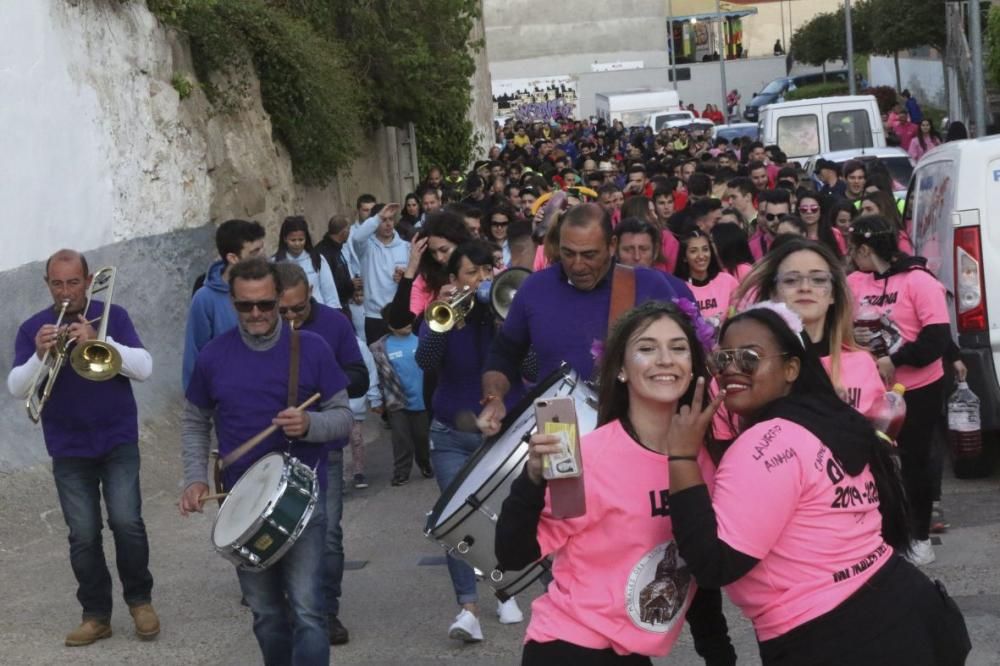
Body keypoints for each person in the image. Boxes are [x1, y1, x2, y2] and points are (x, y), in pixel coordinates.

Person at [666, 303, 971, 665]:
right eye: (722, 359)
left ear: (791, 368)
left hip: (834, 638)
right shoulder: (838, 422)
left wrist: (682, 457)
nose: (731, 369)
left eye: (749, 358)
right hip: (910, 612)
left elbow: (714, 564)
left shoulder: (767, 442)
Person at [495, 301, 736, 665]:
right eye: (646, 348)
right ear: (621, 369)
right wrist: (531, 480)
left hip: (633, 653)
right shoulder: (590, 456)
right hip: (569, 647)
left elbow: (694, 564)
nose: (665, 359)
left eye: (678, 347)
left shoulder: (701, 459)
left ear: (693, 367)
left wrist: (720, 656)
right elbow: (513, 555)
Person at [179, 257, 353, 666]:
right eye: (245, 306)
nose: (256, 313)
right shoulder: (213, 356)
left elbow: (343, 418)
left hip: (302, 499)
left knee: (310, 612)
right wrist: (193, 478)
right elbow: (193, 421)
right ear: (233, 304)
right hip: (241, 505)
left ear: (278, 299)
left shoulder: (311, 348)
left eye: (265, 304)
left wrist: (310, 424)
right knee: (267, 614)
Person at [7, 250, 157, 647]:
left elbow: (144, 368)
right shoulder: (33, 329)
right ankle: (96, 615)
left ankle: (140, 601)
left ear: (88, 282)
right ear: (47, 285)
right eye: (57, 283)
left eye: (74, 282)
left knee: (127, 523)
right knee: (83, 534)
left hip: (117, 438)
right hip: (69, 447)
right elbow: (16, 388)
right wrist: (40, 355)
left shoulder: (113, 316)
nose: (66, 292)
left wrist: (100, 340)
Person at [478, 204, 694, 435]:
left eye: (589, 255)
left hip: (634, 434)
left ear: (611, 246)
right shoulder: (534, 288)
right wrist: (494, 398)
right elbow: (503, 354)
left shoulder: (649, 286)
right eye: (568, 253)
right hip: (558, 435)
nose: (577, 265)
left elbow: (686, 358)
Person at [416, 241, 529, 642]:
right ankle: (467, 609)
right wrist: (438, 320)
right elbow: (425, 361)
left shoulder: (508, 311)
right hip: (450, 434)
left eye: (485, 272)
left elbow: (530, 367)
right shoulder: (444, 314)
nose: (479, 280)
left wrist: (507, 324)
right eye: (470, 273)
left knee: (501, 518)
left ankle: (504, 590)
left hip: (501, 435)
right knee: (454, 522)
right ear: (454, 279)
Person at [846, 215, 952, 566]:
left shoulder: (919, 282)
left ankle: (920, 536)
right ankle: (884, 536)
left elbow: (937, 338)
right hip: (871, 390)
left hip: (918, 389)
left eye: (853, 250)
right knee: (875, 463)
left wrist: (898, 359)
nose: (851, 257)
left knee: (914, 462)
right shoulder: (854, 282)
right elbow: (839, 330)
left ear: (865, 248)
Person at [274, 262, 369, 646]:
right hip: (274, 450)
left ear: (309, 295)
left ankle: (327, 611)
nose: (291, 318)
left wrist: (326, 378)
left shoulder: (334, 324)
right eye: (283, 311)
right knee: (279, 532)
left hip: (323, 446)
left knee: (327, 533)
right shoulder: (263, 328)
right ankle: (290, 606)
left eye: (298, 309)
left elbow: (360, 377)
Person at [734, 238, 885, 420]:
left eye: (818, 279)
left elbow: (880, 436)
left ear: (833, 295)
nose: (805, 288)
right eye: (791, 280)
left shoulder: (863, 363)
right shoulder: (754, 365)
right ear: (773, 293)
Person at [182, 219, 265, 390]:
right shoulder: (205, 299)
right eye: (254, 252)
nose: (262, 257)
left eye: (261, 249)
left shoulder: (271, 286)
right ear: (233, 258)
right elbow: (195, 353)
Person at [369, 304, 432, 486]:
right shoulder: (381, 348)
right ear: (390, 326)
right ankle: (401, 472)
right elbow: (376, 375)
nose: (407, 324)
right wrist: (376, 398)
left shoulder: (422, 340)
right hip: (397, 402)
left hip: (421, 400)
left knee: (421, 437)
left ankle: (425, 463)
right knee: (401, 439)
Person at [350, 203, 409, 345]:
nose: (388, 224)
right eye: (383, 220)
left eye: (391, 219)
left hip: (399, 315)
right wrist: (378, 217)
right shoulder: (365, 246)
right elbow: (357, 237)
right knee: (378, 363)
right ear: (375, 221)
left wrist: (404, 277)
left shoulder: (405, 247)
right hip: (374, 316)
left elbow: (412, 278)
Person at [674, 229, 739, 332]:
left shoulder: (727, 281)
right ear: (684, 257)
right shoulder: (678, 287)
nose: (701, 256)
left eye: (705, 249)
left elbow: (739, 314)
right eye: (693, 251)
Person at [273, 216, 341, 310]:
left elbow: (330, 293)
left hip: (317, 312)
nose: (297, 244)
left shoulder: (317, 259)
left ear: (306, 238)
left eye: (301, 240)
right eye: (293, 240)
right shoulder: (275, 262)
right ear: (285, 239)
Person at [315, 214, 358, 318]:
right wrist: (350, 285)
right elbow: (329, 284)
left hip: (344, 304)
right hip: (335, 309)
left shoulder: (337, 249)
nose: (349, 232)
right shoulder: (324, 252)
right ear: (344, 232)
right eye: (348, 229)